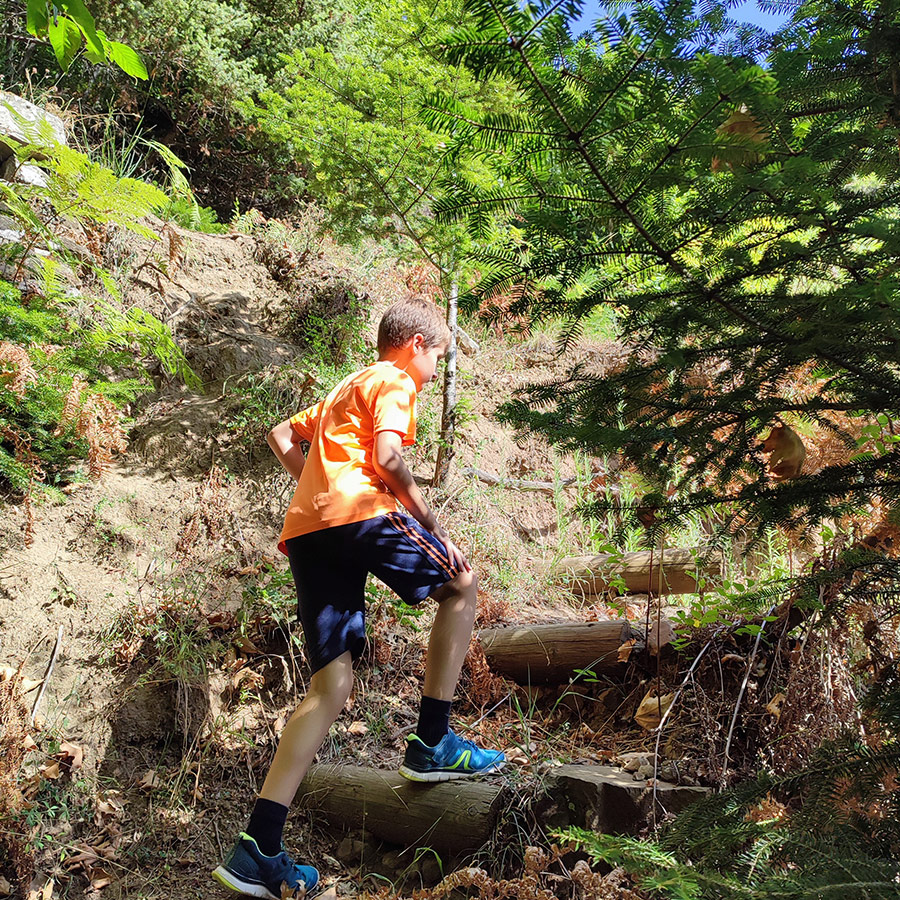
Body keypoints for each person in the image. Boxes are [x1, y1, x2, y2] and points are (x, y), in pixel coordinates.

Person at [213, 297, 505, 899]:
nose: (430, 373)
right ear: (415, 346)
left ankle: (257, 847)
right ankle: (433, 740)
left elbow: (279, 434)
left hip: (309, 530)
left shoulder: (347, 387)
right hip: (360, 513)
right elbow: (389, 459)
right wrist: (432, 524)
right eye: (437, 359)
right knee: (461, 583)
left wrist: (318, 486)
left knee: (331, 684)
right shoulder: (394, 378)